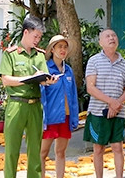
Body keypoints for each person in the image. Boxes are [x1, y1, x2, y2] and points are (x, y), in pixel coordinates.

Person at [0, 16, 52, 178]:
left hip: (35, 105)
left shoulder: (40, 55)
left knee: (35, 150)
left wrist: (49, 80)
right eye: (35, 36)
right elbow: (6, 80)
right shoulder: (11, 54)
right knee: (12, 149)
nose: (37, 40)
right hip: (16, 105)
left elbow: (44, 78)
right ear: (26, 32)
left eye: (40, 38)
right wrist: (27, 79)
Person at [84, 28, 125, 178]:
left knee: (118, 147)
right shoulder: (94, 60)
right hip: (98, 112)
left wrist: (117, 105)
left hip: (119, 112)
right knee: (98, 148)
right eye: (107, 36)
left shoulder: (124, 63)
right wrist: (111, 102)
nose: (112, 38)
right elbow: (90, 87)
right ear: (100, 42)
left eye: (114, 35)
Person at [40, 34, 79, 178]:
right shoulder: (45, 69)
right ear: (52, 49)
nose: (63, 50)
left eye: (65, 47)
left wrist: (74, 117)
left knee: (61, 152)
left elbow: (73, 95)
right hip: (51, 116)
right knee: (43, 153)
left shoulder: (68, 70)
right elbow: (41, 94)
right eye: (59, 47)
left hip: (66, 116)